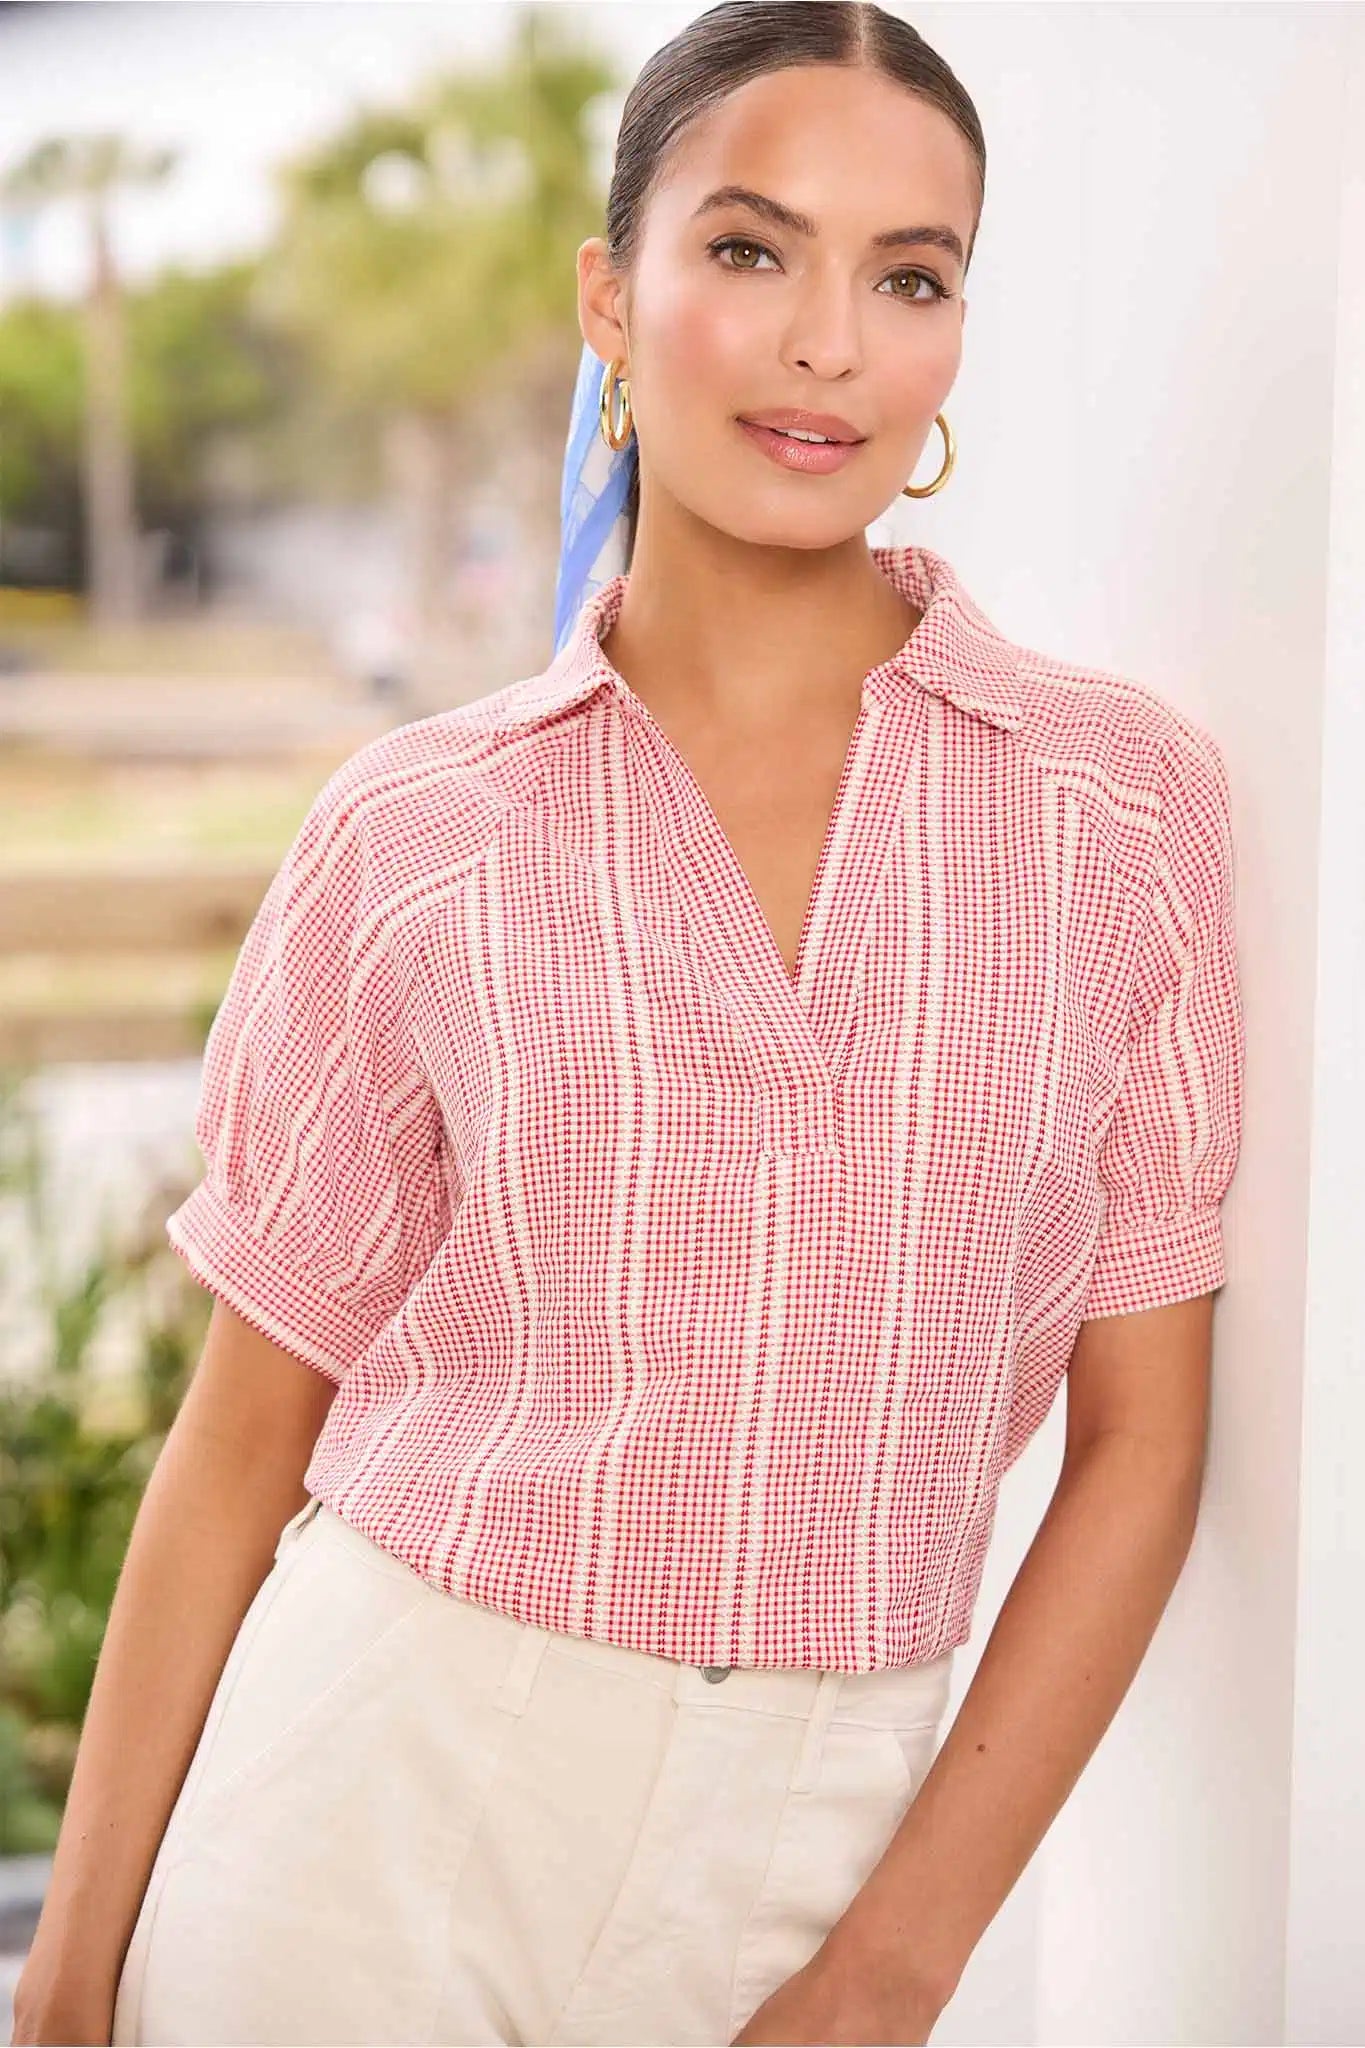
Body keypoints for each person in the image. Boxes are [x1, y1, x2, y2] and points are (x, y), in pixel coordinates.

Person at [12, 4, 1245, 2046]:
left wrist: (883, 1972)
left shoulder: (1119, 810)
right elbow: (242, 1439)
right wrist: (63, 1996)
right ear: (611, 294)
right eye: (748, 250)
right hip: (363, 1810)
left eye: (906, 275)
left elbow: (1139, 1446)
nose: (824, 341)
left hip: (818, 1851)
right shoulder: (417, 830)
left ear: (952, 335)